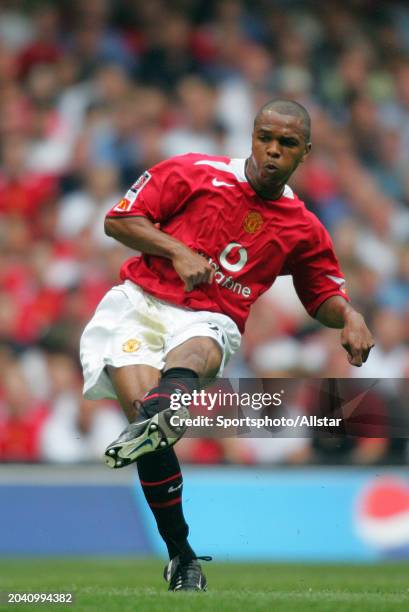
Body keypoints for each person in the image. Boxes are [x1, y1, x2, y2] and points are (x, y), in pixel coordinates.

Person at [79, 99, 374, 591]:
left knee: (192, 358)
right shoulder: (193, 172)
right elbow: (119, 220)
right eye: (265, 138)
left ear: (305, 152)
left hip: (209, 318)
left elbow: (321, 292)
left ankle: (165, 408)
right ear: (252, 136)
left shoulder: (303, 226)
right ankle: (182, 554)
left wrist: (349, 314)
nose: (273, 151)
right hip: (139, 302)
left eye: (287, 144)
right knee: (148, 423)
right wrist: (177, 251)